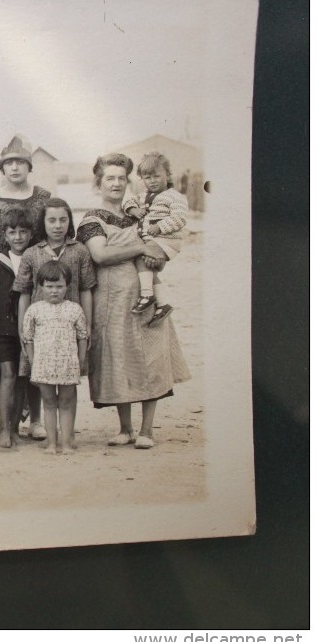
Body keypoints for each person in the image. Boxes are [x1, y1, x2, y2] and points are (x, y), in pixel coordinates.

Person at [76, 153, 191, 450]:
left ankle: (147, 430)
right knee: (118, 359)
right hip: (111, 300)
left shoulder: (141, 214)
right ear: (98, 183)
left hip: (146, 295)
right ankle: (125, 428)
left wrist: (155, 255)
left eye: (121, 178)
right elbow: (100, 255)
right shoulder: (92, 219)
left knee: (150, 358)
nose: (116, 183)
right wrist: (141, 245)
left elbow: (160, 252)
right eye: (109, 178)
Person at [13, 197, 95, 440]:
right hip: (42, 329)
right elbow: (24, 293)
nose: (57, 225)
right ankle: (44, 429)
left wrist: (88, 325)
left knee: (69, 384)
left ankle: (68, 436)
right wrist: (22, 328)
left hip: (70, 328)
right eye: (51, 220)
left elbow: (86, 289)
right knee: (41, 377)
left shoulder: (79, 250)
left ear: (69, 221)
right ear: (43, 222)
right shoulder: (31, 253)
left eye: (63, 220)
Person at [21, 260, 89, 456]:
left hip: (68, 364)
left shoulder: (74, 309)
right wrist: (34, 363)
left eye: (59, 286)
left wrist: (81, 360)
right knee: (49, 403)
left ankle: (66, 442)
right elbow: (28, 338)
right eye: (49, 286)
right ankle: (52, 442)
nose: (54, 291)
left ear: (67, 286)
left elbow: (82, 336)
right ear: (40, 286)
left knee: (66, 403)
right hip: (44, 365)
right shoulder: (34, 310)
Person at [123, 151, 189, 326]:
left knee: (142, 258)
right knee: (146, 264)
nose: (152, 181)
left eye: (156, 176)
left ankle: (147, 294)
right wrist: (133, 210)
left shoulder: (175, 196)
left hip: (167, 240)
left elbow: (180, 218)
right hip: (153, 240)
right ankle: (163, 303)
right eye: (147, 177)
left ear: (167, 175)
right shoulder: (144, 195)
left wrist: (159, 226)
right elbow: (128, 201)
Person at [0, 208, 33, 449]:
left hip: (28, 329)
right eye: (12, 232)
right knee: (7, 375)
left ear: (31, 234)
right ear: (4, 235)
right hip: (3, 329)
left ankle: (15, 429)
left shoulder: (36, 258)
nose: (18, 237)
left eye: (23, 232)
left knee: (22, 379)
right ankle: (4, 429)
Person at [0, 133, 51, 271]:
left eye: (20, 162)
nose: (14, 168)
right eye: (8, 163)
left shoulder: (44, 198)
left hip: (37, 272)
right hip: (0, 274)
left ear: (29, 166)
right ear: (2, 168)